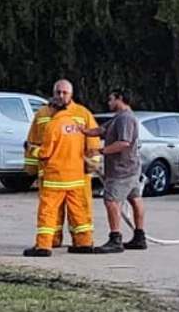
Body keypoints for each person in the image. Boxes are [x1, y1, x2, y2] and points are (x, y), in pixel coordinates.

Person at [23, 79, 100, 256]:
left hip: (54, 177)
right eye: (58, 92)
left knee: (48, 212)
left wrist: (31, 150)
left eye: (64, 92)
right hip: (75, 177)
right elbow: (89, 143)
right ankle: (83, 243)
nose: (61, 95)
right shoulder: (75, 123)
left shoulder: (57, 123)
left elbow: (44, 151)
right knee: (79, 211)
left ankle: (44, 246)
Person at [95, 89, 147, 252]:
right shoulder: (118, 118)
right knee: (134, 198)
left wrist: (101, 151)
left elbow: (124, 142)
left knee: (111, 200)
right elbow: (101, 131)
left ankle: (115, 239)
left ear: (120, 99)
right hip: (130, 168)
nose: (108, 102)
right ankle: (139, 237)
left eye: (111, 99)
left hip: (122, 170)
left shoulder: (125, 118)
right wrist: (82, 130)